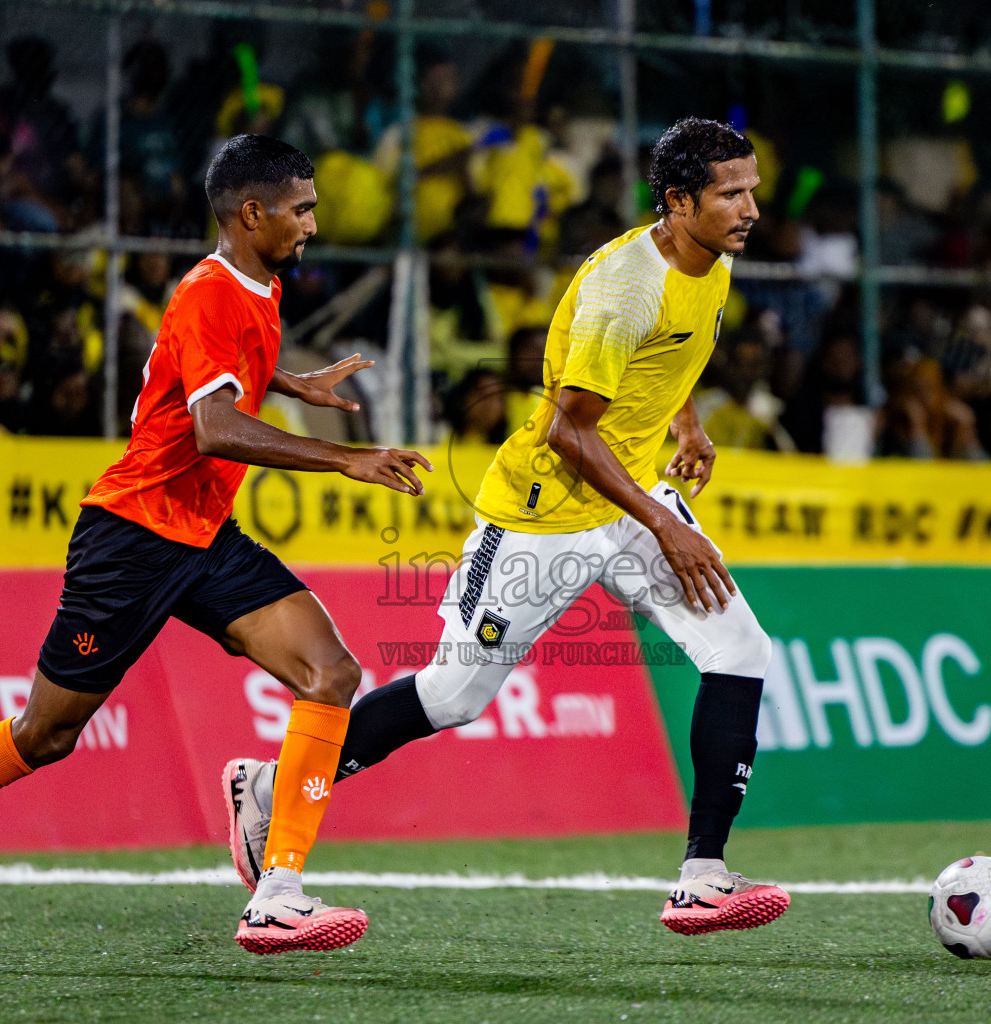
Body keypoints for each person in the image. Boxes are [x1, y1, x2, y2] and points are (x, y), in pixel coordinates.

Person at [0, 135, 432, 958]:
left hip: (202, 535)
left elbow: (210, 373)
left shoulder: (256, 286)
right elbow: (214, 426)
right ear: (251, 213)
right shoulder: (209, 293)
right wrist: (348, 459)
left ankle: (278, 891)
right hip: (133, 538)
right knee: (46, 734)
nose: (313, 224)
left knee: (330, 671)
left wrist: (293, 383)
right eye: (302, 209)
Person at [227, 117, 791, 936]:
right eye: (731, 193)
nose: (750, 209)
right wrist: (669, 529)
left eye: (752, 191)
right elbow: (570, 430)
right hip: (543, 512)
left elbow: (669, 355)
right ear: (677, 202)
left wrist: (686, 425)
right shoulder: (622, 288)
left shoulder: (708, 259)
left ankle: (703, 876)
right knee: (454, 694)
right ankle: (273, 788)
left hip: (625, 495)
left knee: (740, 648)